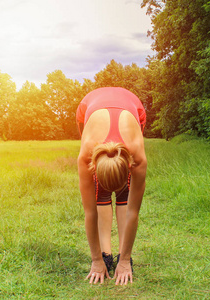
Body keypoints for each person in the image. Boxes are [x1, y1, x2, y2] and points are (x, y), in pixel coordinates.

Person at [76, 87, 147, 285]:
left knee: (126, 197)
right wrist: (96, 260)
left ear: (130, 166)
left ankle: (123, 253)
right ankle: (106, 254)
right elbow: (90, 212)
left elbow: (133, 212)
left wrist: (125, 260)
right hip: (89, 104)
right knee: (100, 195)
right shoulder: (86, 156)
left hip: (133, 105)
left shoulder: (137, 156)